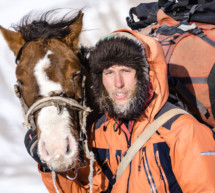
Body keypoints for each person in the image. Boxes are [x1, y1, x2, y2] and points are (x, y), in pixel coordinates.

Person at [25, 29, 215, 192]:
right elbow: (89, 189)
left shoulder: (182, 130)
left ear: (145, 75)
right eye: (109, 73)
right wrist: (53, 166)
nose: (118, 84)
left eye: (126, 70)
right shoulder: (99, 132)